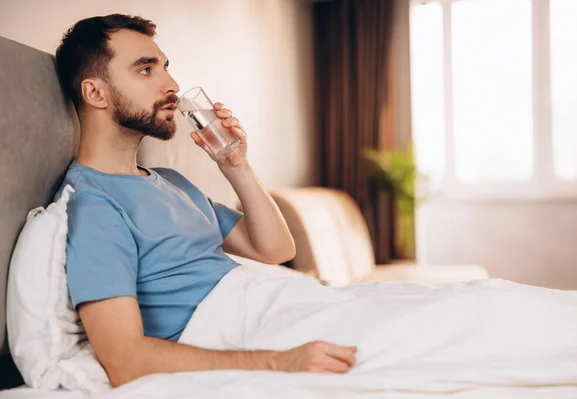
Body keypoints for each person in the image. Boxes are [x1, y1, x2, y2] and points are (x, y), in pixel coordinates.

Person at [54, 14, 358, 387]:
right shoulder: (92, 205)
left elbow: (275, 249)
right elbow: (124, 359)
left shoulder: (171, 183)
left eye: (166, 67)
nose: (172, 84)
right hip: (249, 334)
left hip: (283, 306)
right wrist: (279, 362)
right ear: (95, 93)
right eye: (146, 70)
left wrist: (236, 166)